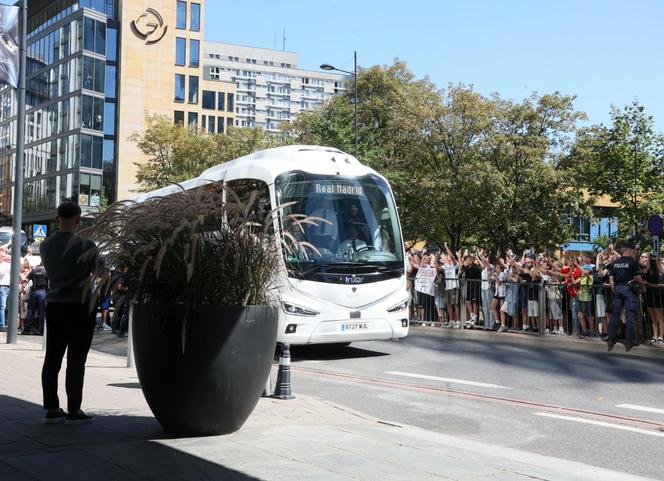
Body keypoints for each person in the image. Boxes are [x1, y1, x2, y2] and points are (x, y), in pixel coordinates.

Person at [40, 202, 98, 424]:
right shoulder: (86, 244)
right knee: (76, 360)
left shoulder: (45, 246)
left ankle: (52, 407)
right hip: (80, 306)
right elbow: (100, 271)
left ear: (57, 219)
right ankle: (74, 410)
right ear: (78, 220)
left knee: (52, 358)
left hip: (55, 305)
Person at [606, 242, 642, 352]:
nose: (633, 253)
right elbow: (638, 279)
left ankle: (611, 339)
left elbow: (611, 281)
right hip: (628, 290)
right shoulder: (633, 263)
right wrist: (642, 285)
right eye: (632, 251)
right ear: (629, 250)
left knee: (615, 315)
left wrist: (615, 289)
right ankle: (629, 341)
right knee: (630, 315)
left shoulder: (615, 263)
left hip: (618, 289)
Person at [22, 262, 49, 335]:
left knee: (31, 312)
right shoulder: (46, 272)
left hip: (33, 292)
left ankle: (26, 330)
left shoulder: (33, 271)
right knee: (42, 312)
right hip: (42, 292)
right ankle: (41, 330)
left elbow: (26, 280)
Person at [0, 244, 10, 332]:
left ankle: (6, 324)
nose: (4, 257)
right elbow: (1, 273)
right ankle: (2, 325)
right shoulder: (4, 265)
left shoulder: (7, 264)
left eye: (4, 255)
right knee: (2, 307)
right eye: (2, 255)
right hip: (2, 287)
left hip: (9, 287)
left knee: (7, 307)